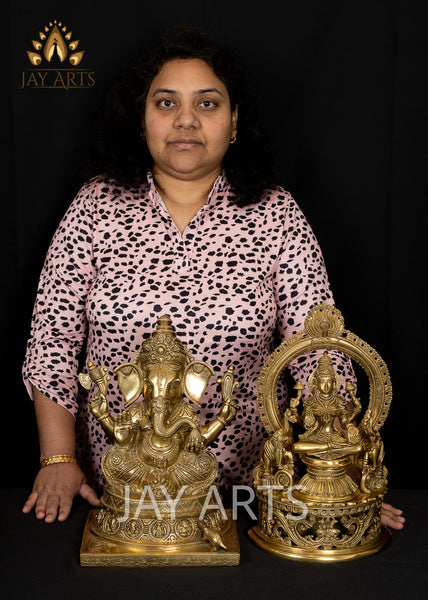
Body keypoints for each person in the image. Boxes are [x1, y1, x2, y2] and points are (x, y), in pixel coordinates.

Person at [21, 26, 404, 530]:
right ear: (142, 120)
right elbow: (53, 340)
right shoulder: (97, 207)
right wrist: (57, 461)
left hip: (247, 499)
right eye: (165, 103)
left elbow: (319, 352)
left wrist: (336, 478)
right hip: (120, 497)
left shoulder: (275, 214)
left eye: (207, 104)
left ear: (234, 120)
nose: (185, 120)